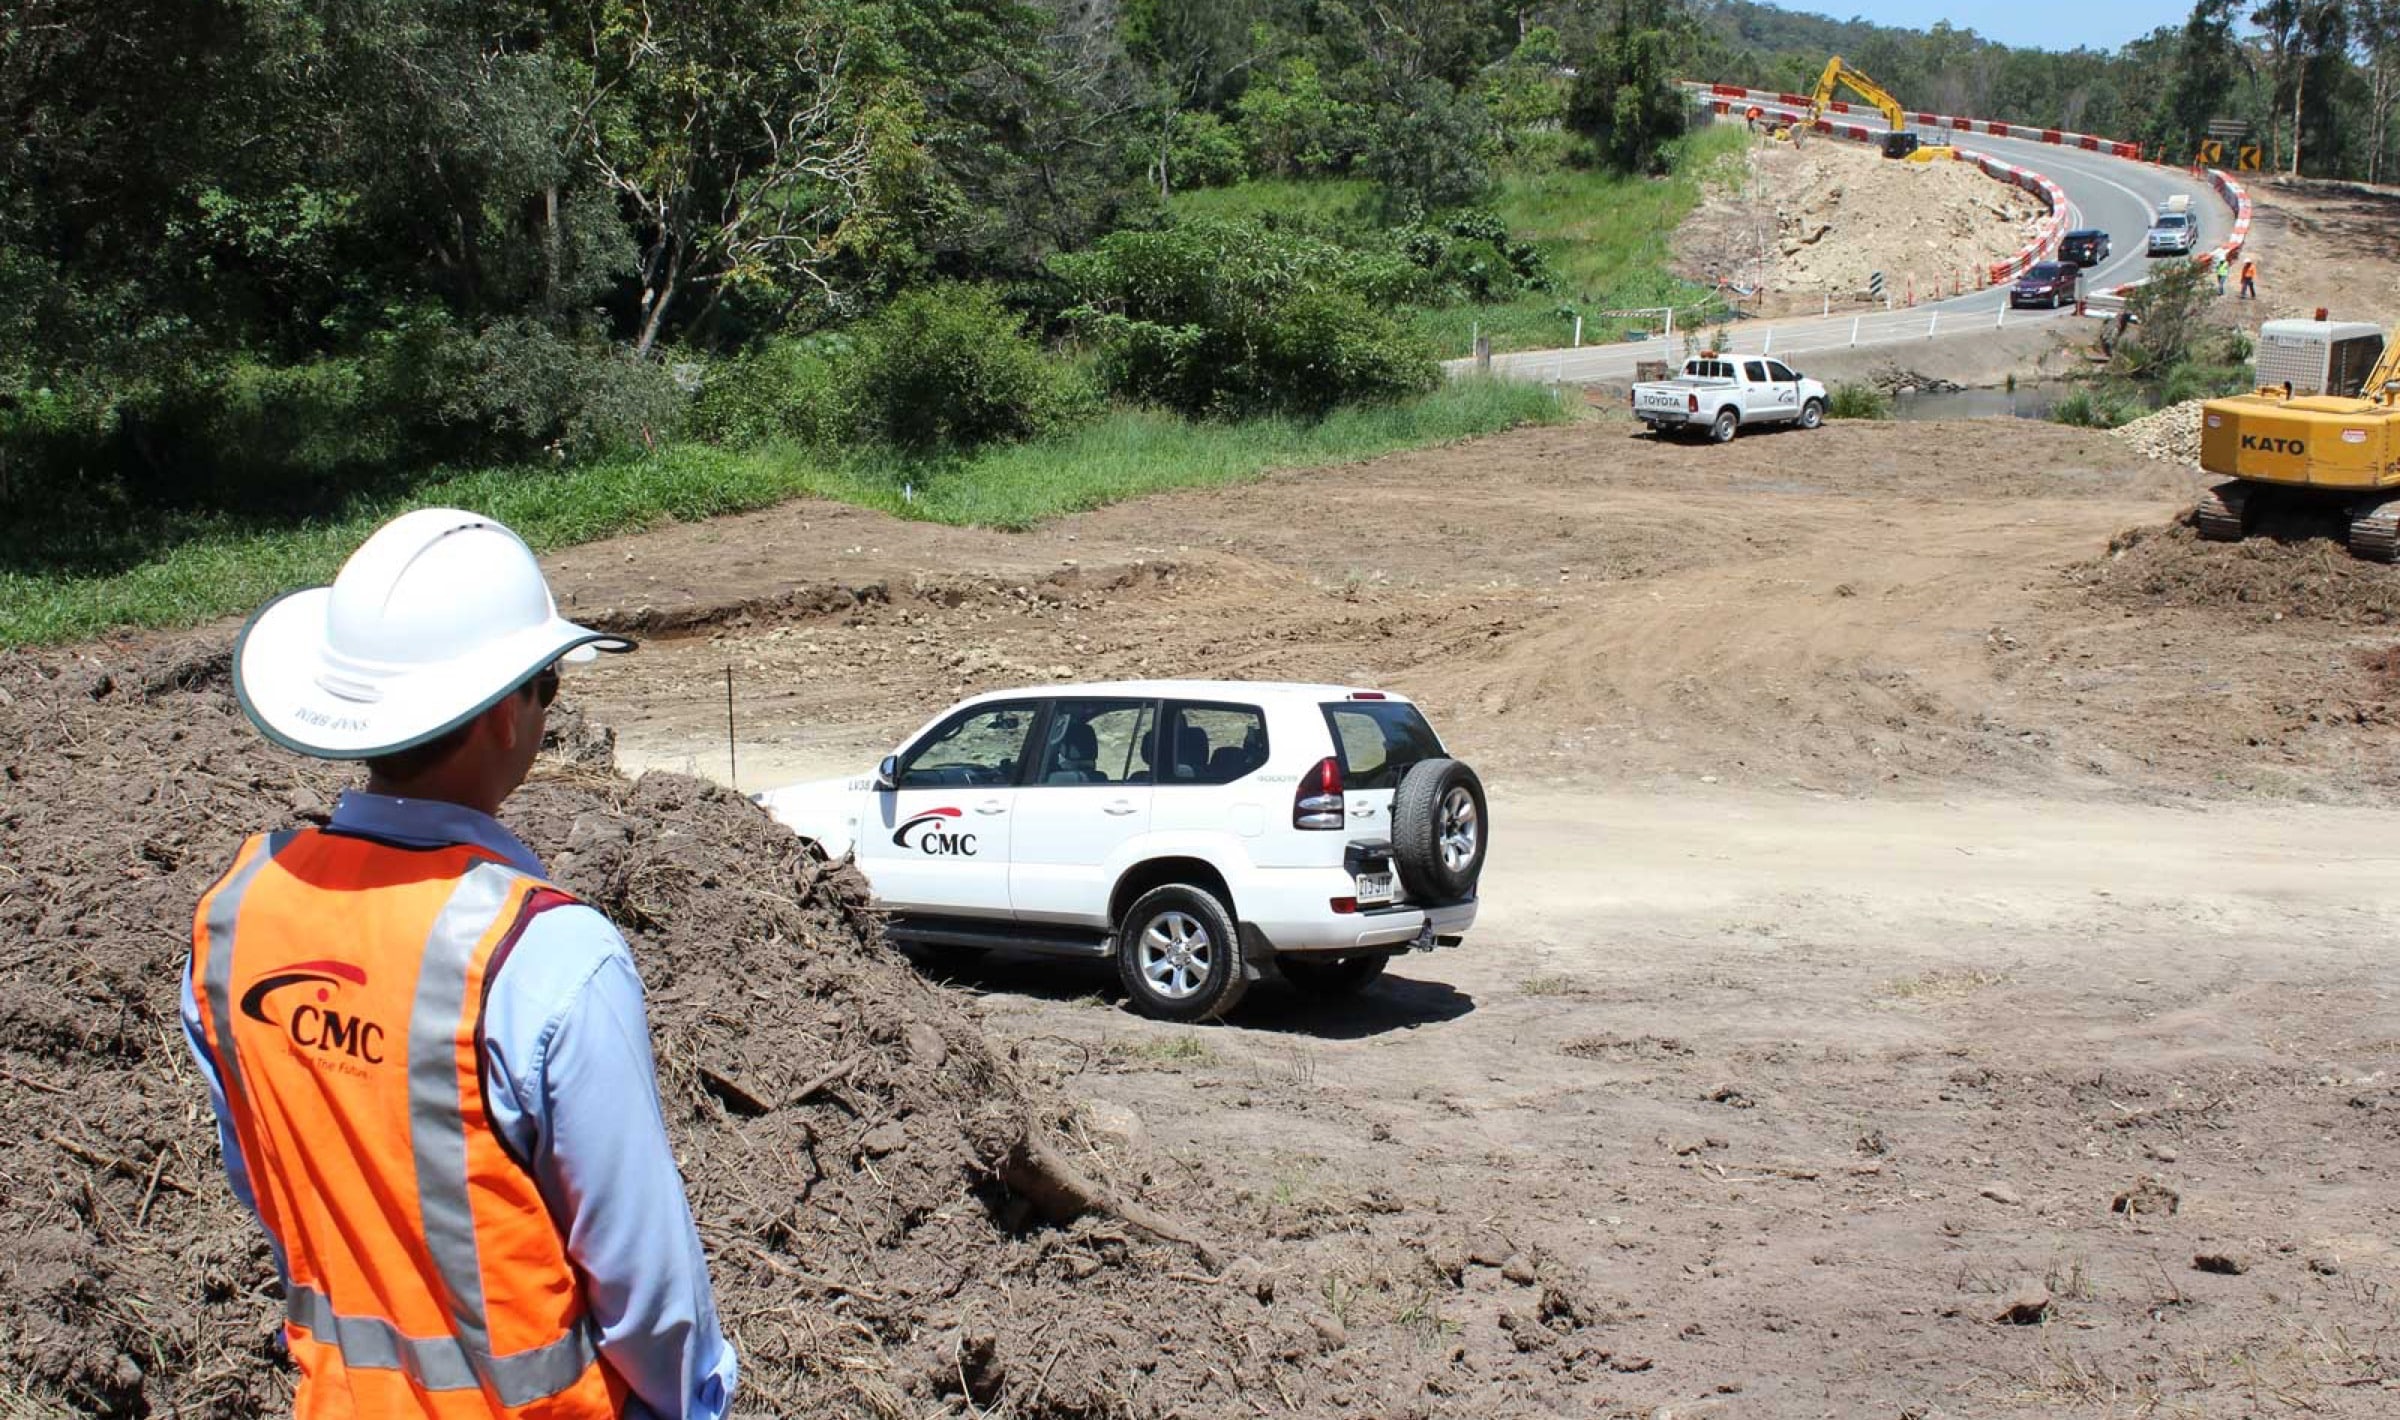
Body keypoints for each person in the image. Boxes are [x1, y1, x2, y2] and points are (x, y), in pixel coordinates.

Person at [182, 508, 736, 1419]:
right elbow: (651, 1299)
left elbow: (268, 1181)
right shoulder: (548, 956)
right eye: (547, 684)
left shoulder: (239, 914)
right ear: (501, 717)